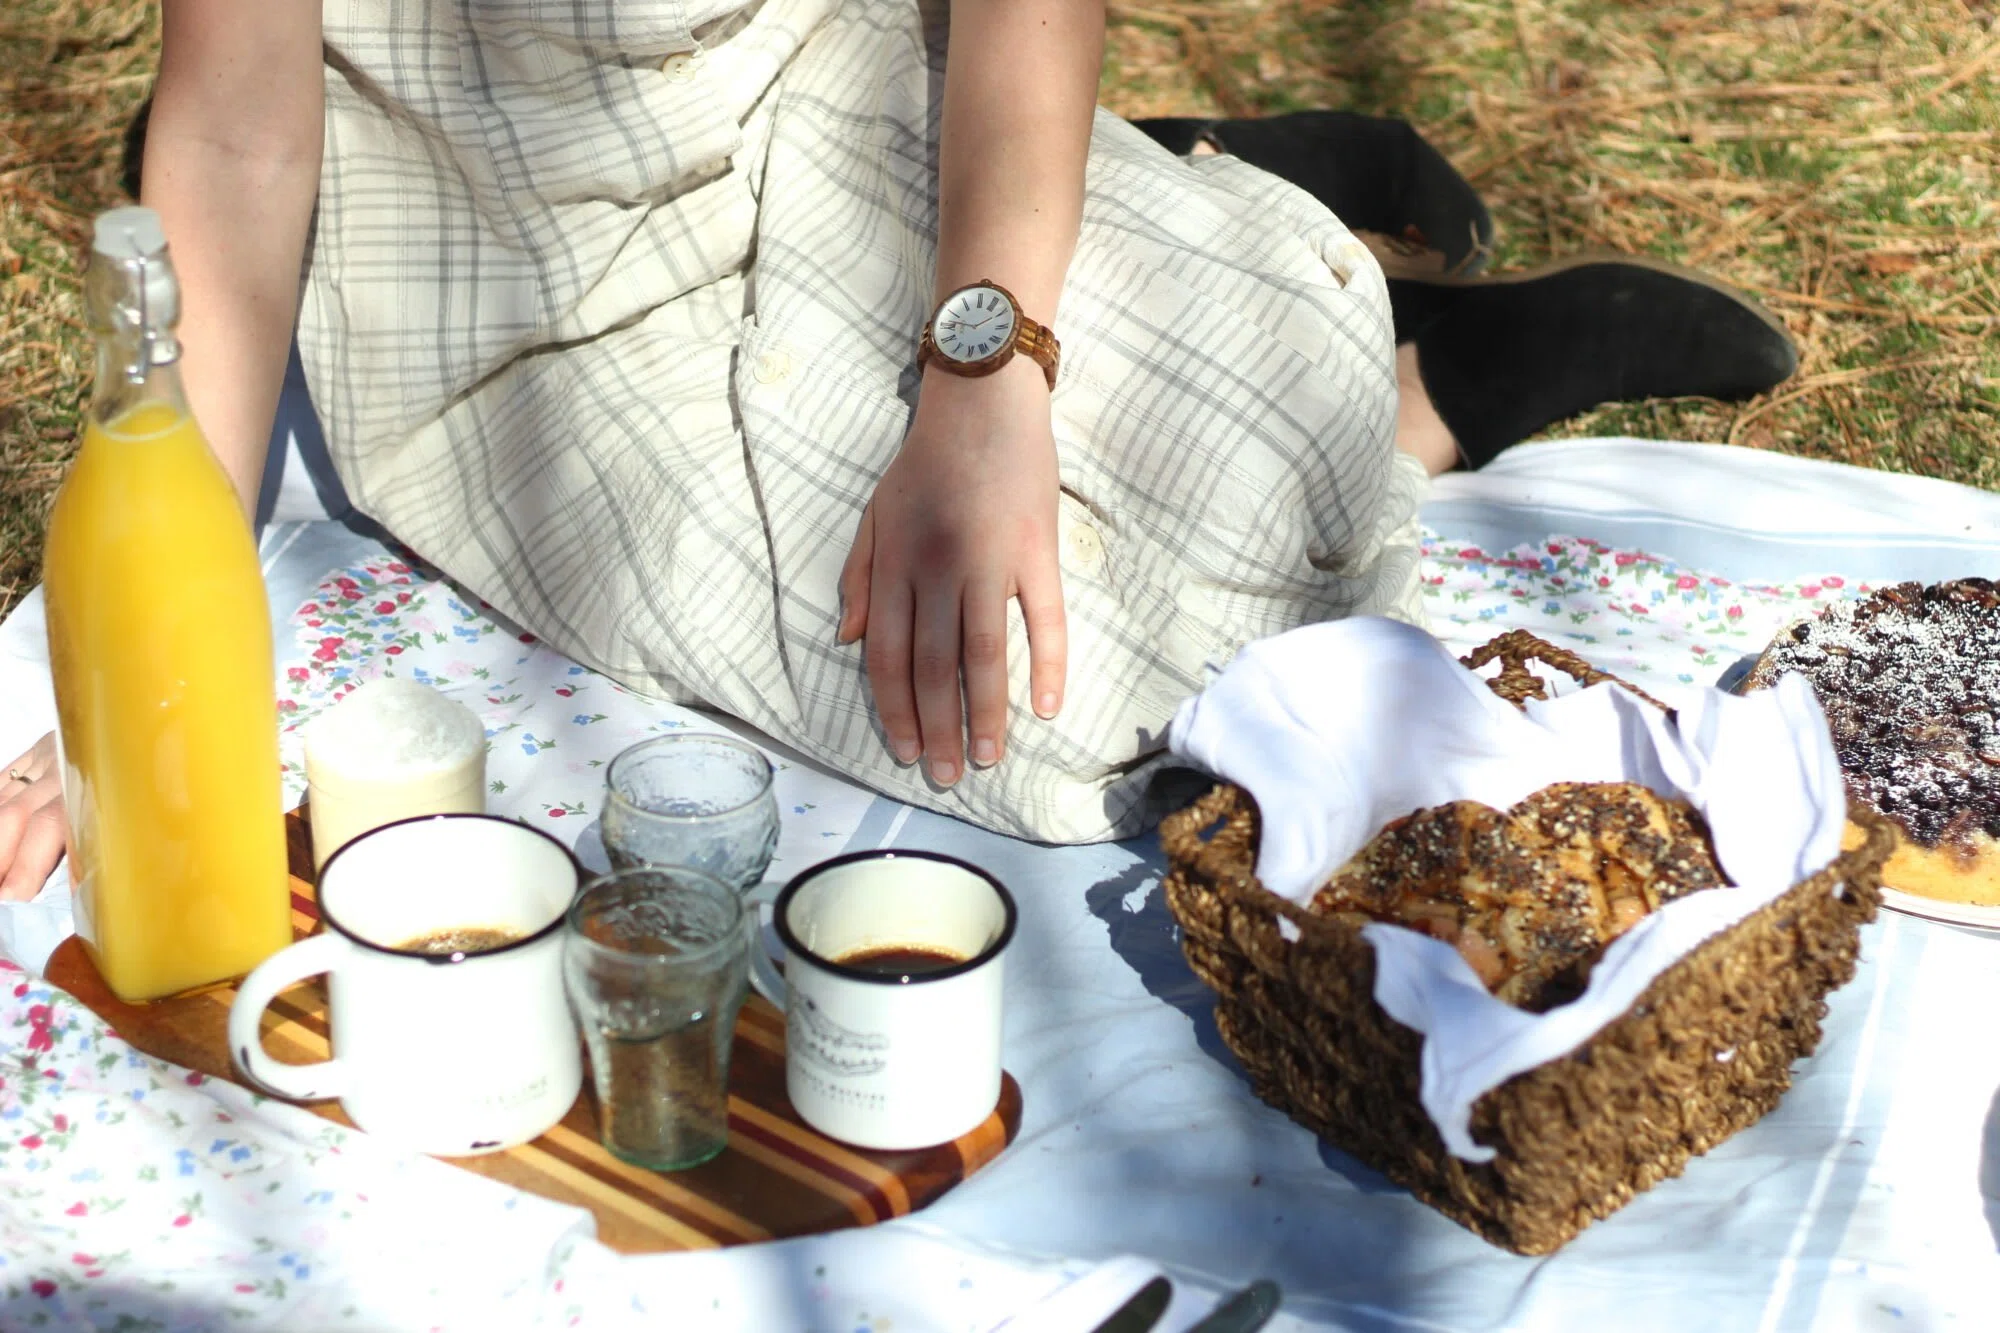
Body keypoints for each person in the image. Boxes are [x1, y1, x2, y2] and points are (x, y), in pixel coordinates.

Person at [0, 0, 1796, 901]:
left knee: (1268, 444)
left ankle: (1370, 349)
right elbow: (231, 143)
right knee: (1052, 706)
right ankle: (1390, 360)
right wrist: (150, 667)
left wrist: (985, 372)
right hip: (540, 315)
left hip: (820, 105)